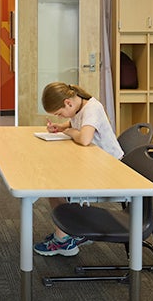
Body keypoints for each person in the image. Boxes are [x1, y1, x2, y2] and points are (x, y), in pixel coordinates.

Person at [33, 82, 124, 257]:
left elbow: (84, 139)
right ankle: (72, 230)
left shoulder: (92, 108)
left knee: (56, 186)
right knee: (55, 179)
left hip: (111, 170)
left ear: (68, 102)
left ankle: (64, 241)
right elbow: (75, 121)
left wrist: (69, 132)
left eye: (59, 113)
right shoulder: (80, 106)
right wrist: (62, 127)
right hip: (97, 163)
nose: (60, 117)